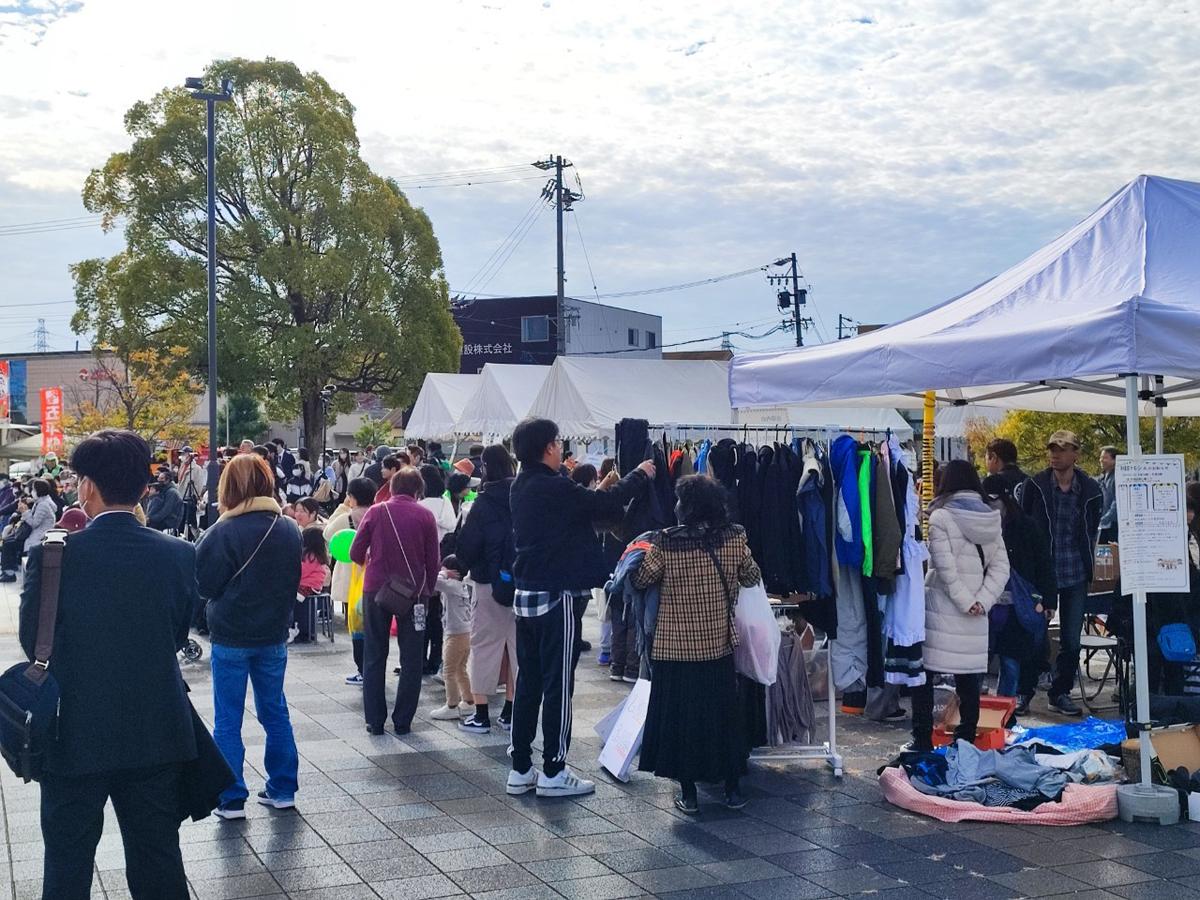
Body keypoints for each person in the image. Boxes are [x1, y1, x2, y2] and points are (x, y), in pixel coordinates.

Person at [19, 429, 197, 899]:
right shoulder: (179, 555)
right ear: (143, 488)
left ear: (87, 485)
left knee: (67, 863)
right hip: (156, 731)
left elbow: (31, 642)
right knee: (158, 861)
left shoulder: (52, 556)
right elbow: (177, 636)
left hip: (71, 732)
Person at [506, 418, 653, 798]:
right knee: (559, 685)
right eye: (558, 443)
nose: (562, 449)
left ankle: (521, 767)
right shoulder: (552, 486)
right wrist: (639, 474)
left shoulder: (522, 485)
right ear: (548, 448)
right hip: (558, 596)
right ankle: (554, 770)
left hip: (527, 595)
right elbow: (604, 504)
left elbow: (580, 508)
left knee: (529, 684)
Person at [633, 475, 760, 813]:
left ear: (686, 506)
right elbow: (751, 576)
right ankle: (731, 789)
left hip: (675, 649)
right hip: (718, 646)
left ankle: (688, 794)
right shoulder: (735, 537)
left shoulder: (666, 542)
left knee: (681, 720)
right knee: (722, 718)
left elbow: (642, 578)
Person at [197, 453, 302, 819]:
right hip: (273, 634)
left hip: (230, 635)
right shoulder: (288, 528)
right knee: (276, 712)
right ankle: (283, 788)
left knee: (228, 718)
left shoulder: (222, 531)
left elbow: (205, 584)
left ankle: (231, 797)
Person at [910, 460, 1010, 751]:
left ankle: (922, 738)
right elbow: (1001, 568)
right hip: (976, 615)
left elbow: (944, 567)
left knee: (924, 675)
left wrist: (965, 602)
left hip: (941, 609)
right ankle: (966, 739)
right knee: (969, 681)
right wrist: (981, 601)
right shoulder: (992, 517)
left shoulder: (940, 517)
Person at [350, 467, 441, 736]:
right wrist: (427, 591)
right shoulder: (425, 515)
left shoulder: (376, 512)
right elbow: (433, 561)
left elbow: (355, 551)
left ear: (391, 487)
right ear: (418, 490)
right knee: (412, 658)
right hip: (414, 594)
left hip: (376, 590)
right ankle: (403, 721)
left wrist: (373, 559)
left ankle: (374, 721)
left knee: (374, 655)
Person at [1019, 430, 1103, 716]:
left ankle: (1061, 691)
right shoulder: (1036, 485)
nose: (1055, 454)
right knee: (1033, 635)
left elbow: (1092, 530)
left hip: (1075, 571)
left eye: (1062, 449)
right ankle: (1024, 691)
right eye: (1052, 449)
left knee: (1071, 639)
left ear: (1076, 454)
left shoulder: (1090, 490)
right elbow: (1024, 526)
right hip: (1042, 573)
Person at [456, 444, 519, 735]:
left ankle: (481, 715)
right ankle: (511, 711)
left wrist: (460, 564)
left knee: (484, 648)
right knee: (518, 651)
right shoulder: (523, 496)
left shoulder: (481, 503)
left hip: (487, 583)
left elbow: (468, 546)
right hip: (523, 585)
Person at [988, 489, 1055, 718]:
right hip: (1002, 602)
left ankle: (1006, 705)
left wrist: (1048, 600)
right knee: (1010, 656)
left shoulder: (1025, 527)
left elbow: (1044, 564)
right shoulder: (987, 525)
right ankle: (1005, 705)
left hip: (1019, 602)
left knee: (1012, 656)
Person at [325, 477, 377, 685]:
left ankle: (361, 670)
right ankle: (373, 668)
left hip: (351, 577)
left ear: (351, 497)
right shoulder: (378, 514)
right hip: (374, 576)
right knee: (373, 625)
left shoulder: (346, 517)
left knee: (356, 626)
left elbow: (328, 534)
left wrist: (341, 508)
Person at [419, 464, 456, 675]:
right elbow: (450, 527)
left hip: (423, 564)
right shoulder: (446, 503)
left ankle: (419, 658)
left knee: (420, 615)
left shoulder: (420, 505)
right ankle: (436, 659)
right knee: (437, 615)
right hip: (442, 563)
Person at [428, 554, 474, 720]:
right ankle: (469, 702)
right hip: (466, 632)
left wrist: (443, 574)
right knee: (460, 669)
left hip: (455, 634)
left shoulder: (452, 584)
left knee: (448, 670)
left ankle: (452, 705)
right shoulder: (463, 585)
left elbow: (434, 582)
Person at [1, 478, 57, 582]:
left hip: (37, 537)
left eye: (33, 490)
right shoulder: (41, 502)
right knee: (8, 541)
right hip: (34, 534)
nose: (31, 492)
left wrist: (25, 512)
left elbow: (34, 523)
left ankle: (9, 573)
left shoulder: (43, 505)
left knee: (8, 545)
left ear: (38, 491)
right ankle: (8, 571)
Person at [294, 526, 331, 643]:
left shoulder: (309, 556)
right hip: (315, 586)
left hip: (308, 586)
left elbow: (301, 571)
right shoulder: (318, 556)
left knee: (294, 600)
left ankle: (298, 630)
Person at [1098, 445, 1119, 543]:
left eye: (1105, 458)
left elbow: (1117, 501)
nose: (1101, 460)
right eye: (1101, 457)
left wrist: (1104, 519)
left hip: (1113, 524)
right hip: (1103, 524)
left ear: (1114, 460)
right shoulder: (1102, 478)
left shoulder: (1117, 477)